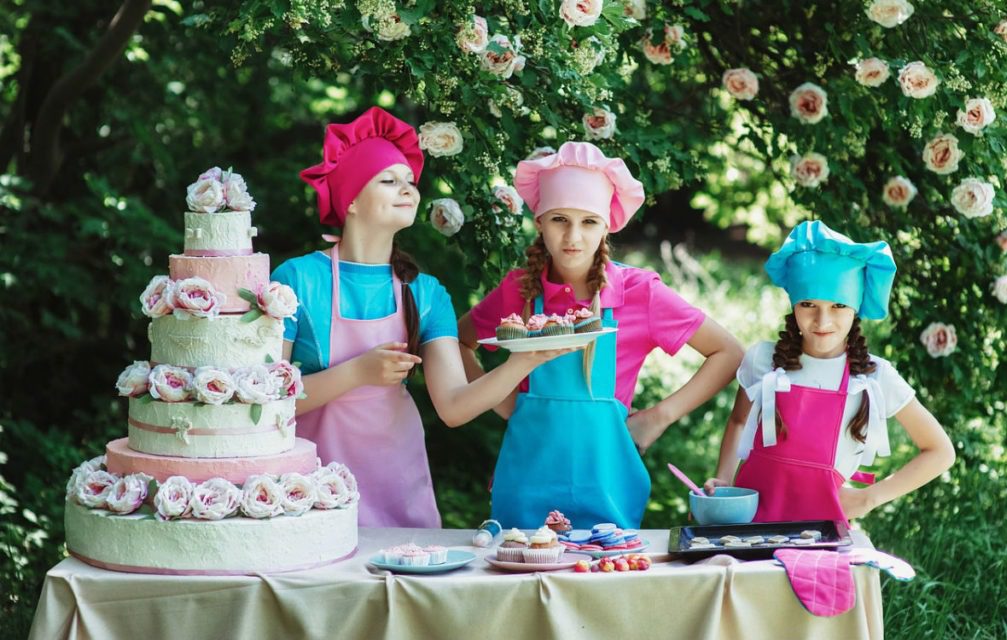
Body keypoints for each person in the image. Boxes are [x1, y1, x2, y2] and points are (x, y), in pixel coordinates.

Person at [274, 107, 568, 527]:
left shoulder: (426, 293)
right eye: (389, 181)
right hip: (310, 486)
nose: (408, 189)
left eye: (410, 182)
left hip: (396, 479)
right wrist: (358, 372)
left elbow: (453, 407)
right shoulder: (296, 280)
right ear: (351, 199)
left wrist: (526, 360)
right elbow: (265, 403)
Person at [458, 141, 744, 529]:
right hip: (525, 486)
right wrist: (502, 399)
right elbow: (459, 341)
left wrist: (659, 416)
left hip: (609, 490)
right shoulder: (519, 290)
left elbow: (728, 352)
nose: (573, 236)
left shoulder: (639, 293)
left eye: (589, 221)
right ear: (539, 221)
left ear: (607, 224)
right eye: (559, 219)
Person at [703, 220, 956, 524]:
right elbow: (739, 420)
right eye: (808, 304)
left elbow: (940, 451)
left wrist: (867, 498)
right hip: (748, 525)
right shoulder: (762, 359)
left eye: (838, 305)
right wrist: (725, 481)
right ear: (794, 305)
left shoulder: (875, 377)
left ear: (856, 308)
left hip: (821, 534)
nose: (823, 321)